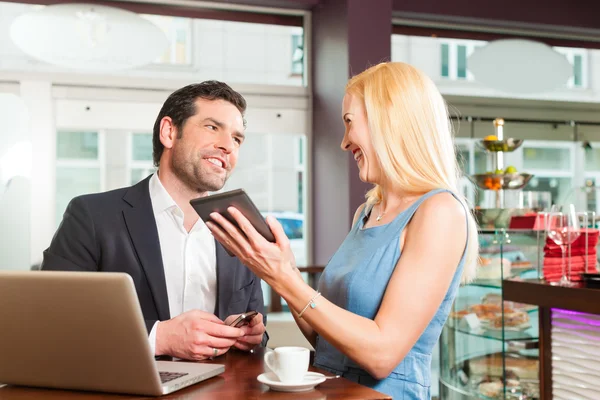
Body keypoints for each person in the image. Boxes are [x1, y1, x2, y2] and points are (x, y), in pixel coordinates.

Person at [205, 62, 479, 398]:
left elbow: (381, 355)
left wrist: (284, 279)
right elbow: (328, 343)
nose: (345, 142)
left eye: (350, 123)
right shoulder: (366, 212)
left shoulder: (440, 212)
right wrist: (285, 268)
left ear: (389, 121)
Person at [42, 81, 267, 361]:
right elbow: (51, 319)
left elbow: (259, 328)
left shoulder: (240, 231)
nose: (227, 146)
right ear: (169, 132)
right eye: (212, 127)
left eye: (237, 138)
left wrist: (253, 334)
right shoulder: (91, 216)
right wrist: (158, 337)